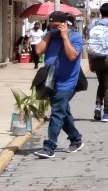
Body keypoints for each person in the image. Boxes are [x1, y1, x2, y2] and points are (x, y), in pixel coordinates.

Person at [33, 11, 84, 158]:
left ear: (64, 24)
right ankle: (76, 139)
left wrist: (65, 37)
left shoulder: (75, 37)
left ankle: (49, 147)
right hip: (50, 81)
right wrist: (49, 34)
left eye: (56, 26)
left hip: (67, 83)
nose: (54, 28)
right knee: (63, 111)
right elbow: (38, 50)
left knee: (56, 112)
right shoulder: (50, 36)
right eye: (51, 26)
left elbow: (72, 55)